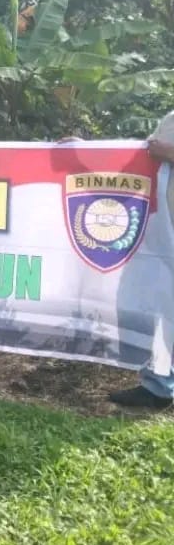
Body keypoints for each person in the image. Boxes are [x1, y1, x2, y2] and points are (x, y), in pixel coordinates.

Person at [109, 115, 174, 409]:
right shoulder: (170, 119)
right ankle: (158, 385)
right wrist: (83, 150)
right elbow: (140, 158)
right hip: (161, 233)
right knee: (160, 308)